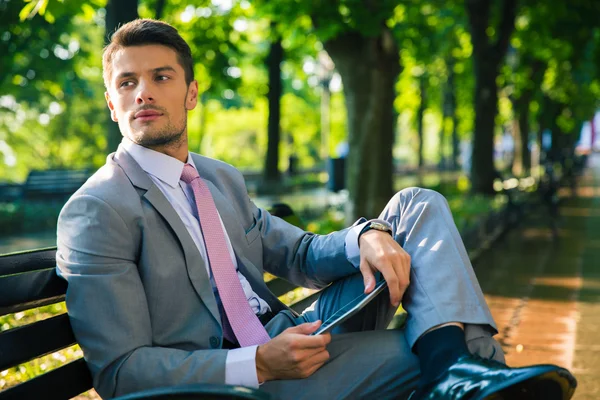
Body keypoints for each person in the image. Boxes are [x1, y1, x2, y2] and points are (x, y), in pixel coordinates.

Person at [56, 19, 577, 400]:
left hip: (294, 332)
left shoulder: (216, 177)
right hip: (234, 382)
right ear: (112, 103)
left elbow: (300, 252)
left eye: (161, 77)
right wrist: (254, 363)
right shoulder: (99, 210)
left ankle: (460, 376)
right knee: (439, 347)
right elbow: (122, 371)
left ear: (190, 94)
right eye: (127, 82)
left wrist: (366, 234)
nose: (143, 93)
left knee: (418, 206)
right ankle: (462, 372)